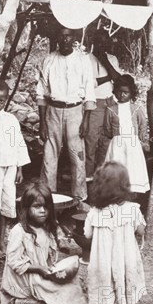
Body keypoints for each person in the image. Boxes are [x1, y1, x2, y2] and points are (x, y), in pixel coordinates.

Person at [0, 181, 88, 304]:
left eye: (46, 207)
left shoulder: (46, 229)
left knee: (73, 281)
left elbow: (49, 256)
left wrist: (53, 269)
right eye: (37, 207)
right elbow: (14, 262)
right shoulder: (19, 232)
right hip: (24, 280)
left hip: (40, 273)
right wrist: (40, 269)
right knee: (63, 290)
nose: (42, 211)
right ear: (26, 209)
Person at [84, 162, 146, 304]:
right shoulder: (132, 209)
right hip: (127, 259)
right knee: (129, 286)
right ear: (124, 186)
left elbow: (87, 234)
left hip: (103, 261)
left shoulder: (94, 212)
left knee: (106, 287)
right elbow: (140, 230)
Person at [37, 27, 96, 196]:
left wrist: (85, 121)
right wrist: (42, 123)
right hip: (53, 110)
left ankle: (79, 197)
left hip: (75, 111)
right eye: (61, 36)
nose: (64, 40)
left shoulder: (83, 60)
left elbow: (89, 92)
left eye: (68, 36)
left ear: (74, 38)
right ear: (57, 38)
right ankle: (48, 195)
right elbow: (41, 92)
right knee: (49, 154)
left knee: (77, 156)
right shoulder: (49, 60)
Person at [0, 80, 30, 261]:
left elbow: (19, 143)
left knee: (7, 203)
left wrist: (20, 167)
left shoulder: (10, 120)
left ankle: (1, 240)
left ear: (6, 100)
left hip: (10, 166)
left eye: (1, 101)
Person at [82, 28, 121, 178]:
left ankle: (103, 176)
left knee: (108, 141)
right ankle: (88, 177)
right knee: (91, 141)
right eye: (99, 42)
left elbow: (118, 79)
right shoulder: (86, 59)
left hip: (111, 102)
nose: (103, 45)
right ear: (94, 42)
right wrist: (109, 76)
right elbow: (89, 84)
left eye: (105, 41)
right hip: (94, 103)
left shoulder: (112, 59)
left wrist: (105, 62)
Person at [103, 74, 150, 195]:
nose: (122, 95)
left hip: (133, 145)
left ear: (131, 93)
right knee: (117, 169)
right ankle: (116, 195)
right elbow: (107, 129)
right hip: (117, 145)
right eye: (119, 92)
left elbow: (143, 125)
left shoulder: (136, 108)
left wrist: (140, 139)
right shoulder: (110, 109)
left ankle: (132, 196)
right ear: (115, 91)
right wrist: (115, 136)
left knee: (132, 170)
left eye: (126, 92)